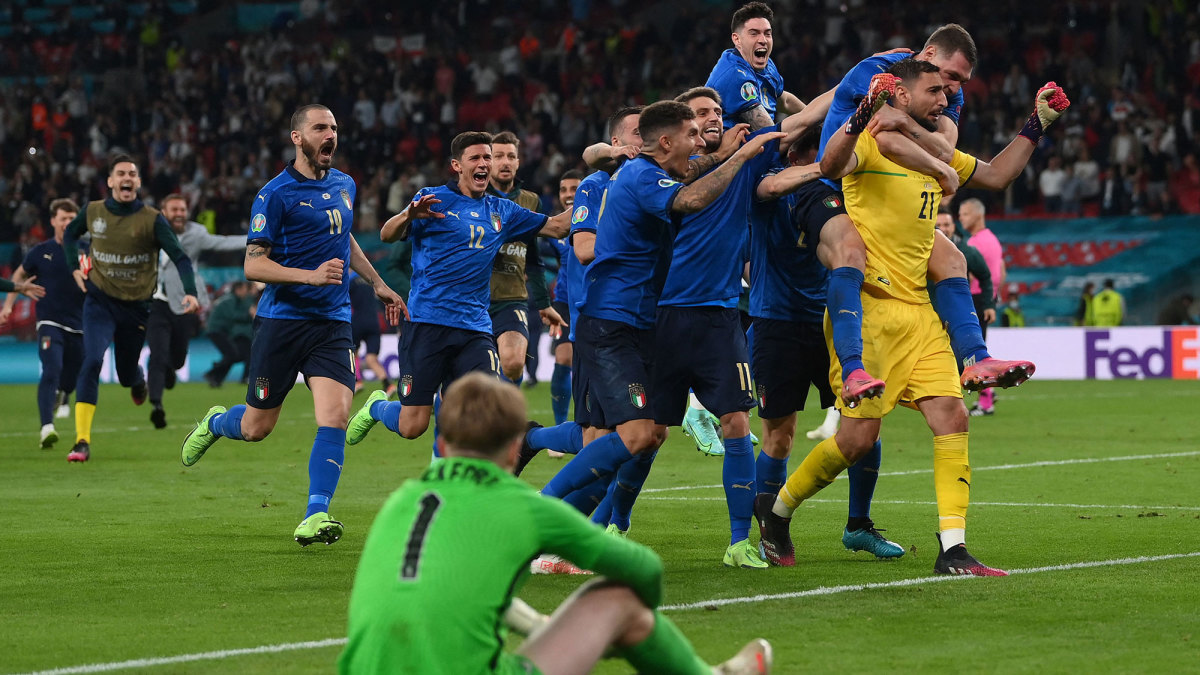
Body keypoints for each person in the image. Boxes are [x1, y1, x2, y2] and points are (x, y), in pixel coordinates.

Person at [755, 61, 1070, 576]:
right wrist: (859, 117)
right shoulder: (872, 140)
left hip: (920, 315)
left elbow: (996, 174)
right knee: (856, 441)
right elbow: (832, 164)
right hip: (871, 312)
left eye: (948, 92)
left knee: (953, 416)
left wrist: (1035, 126)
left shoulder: (930, 147)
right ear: (899, 93)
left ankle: (953, 549)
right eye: (934, 91)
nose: (945, 99)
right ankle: (778, 511)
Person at [338, 372, 773, 675]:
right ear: (514, 451)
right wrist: (605, 636)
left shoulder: (401, 501)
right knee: (618, 601)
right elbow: (645, 571)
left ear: (444, 445)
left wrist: (534, 626)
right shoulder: (521, 507)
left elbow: (441, 590)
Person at [538, 100, 782, 537]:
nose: (698, 142)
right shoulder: (641, 175)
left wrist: (723, 153)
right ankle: (544, 508)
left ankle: (565, 518)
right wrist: (741, 155)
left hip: (636, 324)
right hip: (609, 323)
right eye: (691, 134)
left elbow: (686, 171)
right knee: (625, 435)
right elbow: (688, 198)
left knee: (645, 436)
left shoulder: (651, 170)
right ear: (665, 142)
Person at [180, 104, 406, 546]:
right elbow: (252, 264)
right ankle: (215, 424)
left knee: (336, 415)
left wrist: (376, 281)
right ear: (297, 137)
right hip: (282, 322)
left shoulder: (345, 184)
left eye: (335, 128)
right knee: (256, 428)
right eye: (321, 128)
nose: (331, 135)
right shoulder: (275, 194)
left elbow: (345, 240)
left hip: (332, 321)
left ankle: (315, 514)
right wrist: (310, 275)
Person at [811, 24, 1035, 406]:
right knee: (850, 251)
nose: (950, 92)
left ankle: (976, 359)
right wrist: (939, 166)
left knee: (952, 258)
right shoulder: (880, 69)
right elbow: (885, 136)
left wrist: (1036, 125)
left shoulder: (948, 94)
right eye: (946, 79)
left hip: (879, 197)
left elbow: (945, 147)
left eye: (959, 83)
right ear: (927, 56)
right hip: (827, 186)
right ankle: (852, 368)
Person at [343, 130, 570, 447]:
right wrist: (409, 214)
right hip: (428, 326)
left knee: (482, 415)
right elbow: (386, 234)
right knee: (412, 426)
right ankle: (377, 407)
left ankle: (467, 482)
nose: (484, 164)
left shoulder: (502, 210)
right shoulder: (433, 199)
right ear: (456, 165)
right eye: (476, 158)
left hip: (475, 329)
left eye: (487, 157)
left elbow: (558, 226)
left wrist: (598, 189)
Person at [63, 154, 200, 462]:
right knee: (92, 361)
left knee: (126, 374)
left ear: (137, 182)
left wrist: (190, 292)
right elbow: (70, 235)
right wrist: (74, 266)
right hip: (100, 301)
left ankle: (136, 381)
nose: (127, 178)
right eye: (121, 173)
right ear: (110, 181)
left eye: (133, 174)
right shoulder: (93, 211)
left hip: (137, 308)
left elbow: (179, 256)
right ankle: (81, 441)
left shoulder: (152, 219)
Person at [146, 193, 246, 429]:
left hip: (184, 301)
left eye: (182, 209)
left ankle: (172, 370)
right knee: (158, 353)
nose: (180, 213)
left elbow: (222, 242)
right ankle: (157, 405)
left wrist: (257, 238)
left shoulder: (196, 234)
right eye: (174, 209)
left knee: (178, 359)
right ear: (163, 211)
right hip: (154, 301)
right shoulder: (149, 230)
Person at [487, 131, 562, 384]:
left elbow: (533, 257)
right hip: (475, 300)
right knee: (462, 378)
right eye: (498, 156)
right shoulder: (475, 197)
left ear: (519, 162)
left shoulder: (530, 201)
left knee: (513, 363)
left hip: (512, 298)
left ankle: (504, 421)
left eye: (511, 156)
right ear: (488, 161)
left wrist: (543, 303)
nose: (505, 162)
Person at [0, 200, 69, 448]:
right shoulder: (40, 251)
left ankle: (63, 393)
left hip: (80, 325)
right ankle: (47, 426)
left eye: (72, 218)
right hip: (49, 321)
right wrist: (10, 303)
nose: (68, 223)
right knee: (51, 369)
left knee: (73, 374)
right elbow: (18, 274)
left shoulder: (85, 250)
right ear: (53, 221)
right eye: (63, 218)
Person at [705, 2, 806, 131]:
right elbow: (769, 134)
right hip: (732, 150)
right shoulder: (734, 75)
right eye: (754, 33)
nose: (763, 40)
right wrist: (809, 122)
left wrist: (817, 121)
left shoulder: (766, 63)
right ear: (737, 40)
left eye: (767, 34)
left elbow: (783, 100)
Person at [957, 198, 1004, 415]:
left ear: (977, 215)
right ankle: (987, 395)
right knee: (978, 349)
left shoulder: (974, 244)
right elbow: (1001, 271)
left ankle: (986, 401)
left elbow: (973, 274)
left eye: (964, 214)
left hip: (974, 299)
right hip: (987, 300)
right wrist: (993, 298)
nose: (960, 218)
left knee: (973, 354)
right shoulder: (993, 240)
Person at [547, 169, 583, 429]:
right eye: (563, 190)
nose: (568, 195)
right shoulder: (555, 227)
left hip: (593, 301)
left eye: (574, 188)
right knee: (564, 358)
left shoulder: (601, 217)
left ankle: (587, 423)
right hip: (563, 302)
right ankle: (561, 425)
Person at [203, 281, 255, 386]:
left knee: (232, 355)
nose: (246, 292)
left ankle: (216, 379)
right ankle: (212, 373)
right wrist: (249, 315)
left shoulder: (233, 300)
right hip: (216, 330)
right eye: (245, 289)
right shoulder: (230, 300)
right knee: (232, 354)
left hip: (220, 330)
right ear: (238, 290)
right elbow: (233, 316)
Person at [348, 271, 392, 394]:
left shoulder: (350, 281)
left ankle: (357, 381)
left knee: (352, 353)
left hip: (358, 321)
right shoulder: (371, 281)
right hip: (374, 322)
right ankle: (388, 385)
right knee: (371, 358)